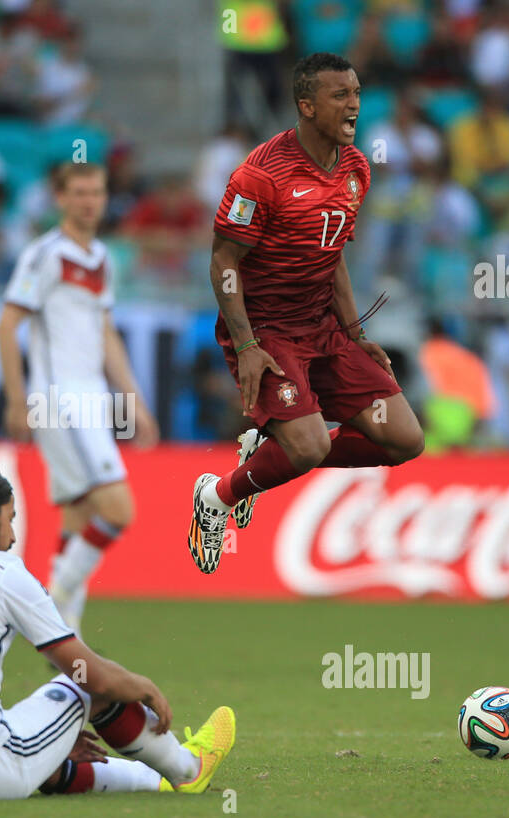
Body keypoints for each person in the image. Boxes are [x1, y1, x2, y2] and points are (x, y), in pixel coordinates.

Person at [188, 53, 424, 575]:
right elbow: (223, 261)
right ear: (306, 105)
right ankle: (218, 497)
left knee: (404, 439)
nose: (354, 105)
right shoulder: (260, 175)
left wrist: (356, 332)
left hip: (323, 327)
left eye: (357, 93)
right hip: (268, 330)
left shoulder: (356, 169)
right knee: (310, 443)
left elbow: (332, 252)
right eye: (340, 95)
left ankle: (271, 451)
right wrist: (247, 346)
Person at [0, 463, 235, 799]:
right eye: (10, 518)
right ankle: (188, 769)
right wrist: (140, 685)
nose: (13, 536)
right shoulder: (2, 571)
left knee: (35, 737)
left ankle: (147, 781)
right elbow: (94, 679)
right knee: (88, 683)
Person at [0, 162, 158, 635]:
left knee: (79, 515)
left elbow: (106, 333)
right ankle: (50, 605)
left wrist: (135, 400)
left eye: (97, 192)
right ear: (60, 198)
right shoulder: (45, 254)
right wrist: (15, 398)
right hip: (60, 399)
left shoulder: (103, 258)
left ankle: (66, 639)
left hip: (93, 400)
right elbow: (7, 324)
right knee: (118, 510)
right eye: (80, 192)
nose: (90, 201)